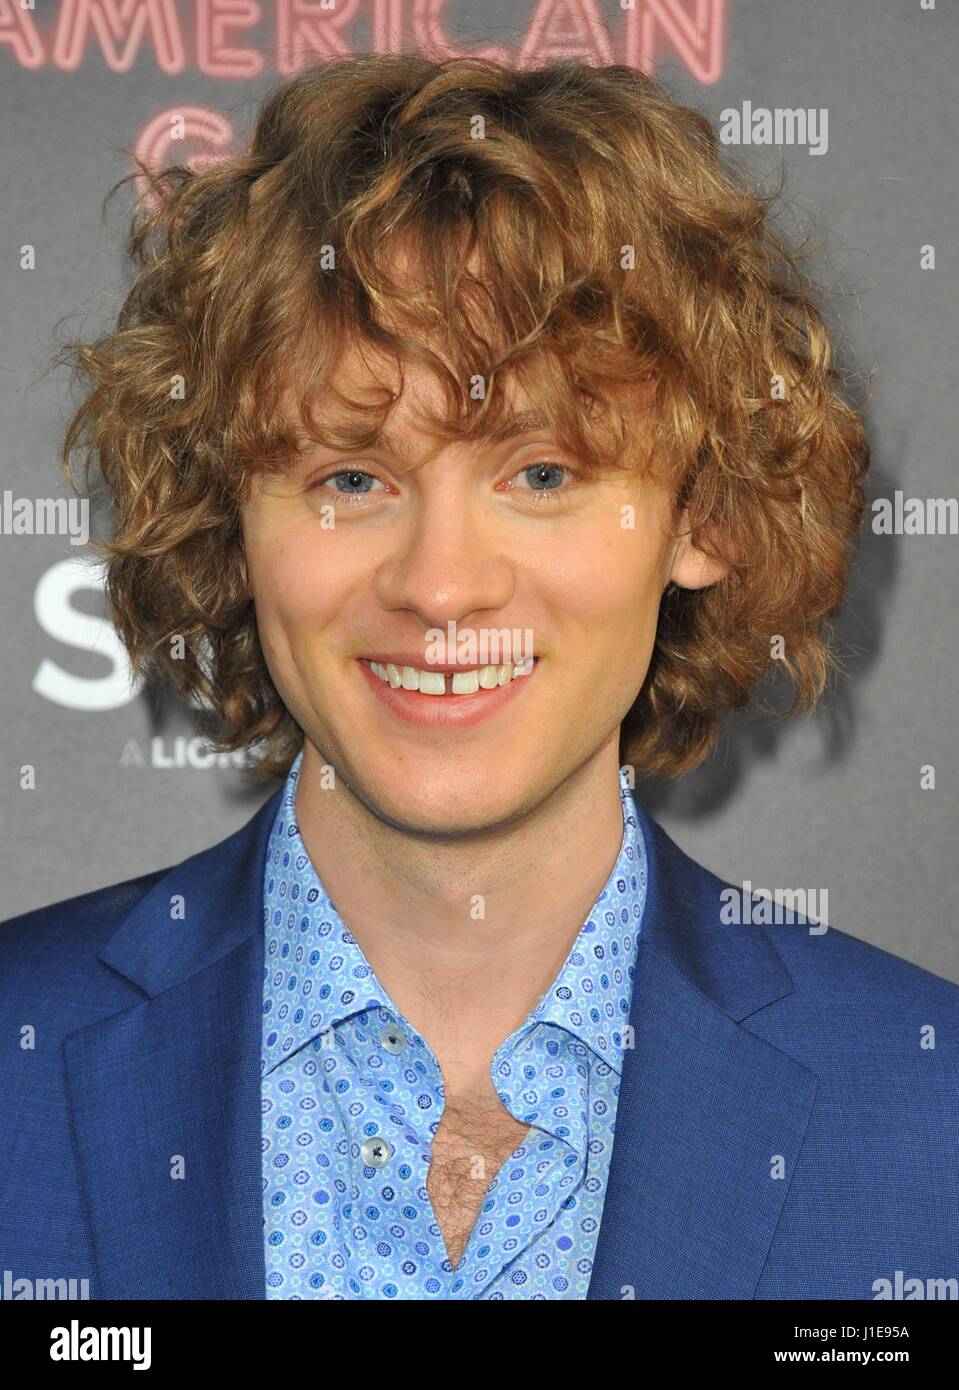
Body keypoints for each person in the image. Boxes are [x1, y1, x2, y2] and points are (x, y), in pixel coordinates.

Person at [1, 53, 956, 1302]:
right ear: (230, 521)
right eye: (352, 476)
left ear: (699, 518)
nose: (441, 586)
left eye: (543, 473)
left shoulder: (923, 1110)